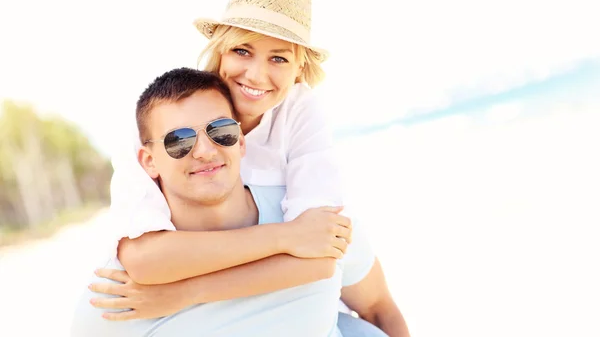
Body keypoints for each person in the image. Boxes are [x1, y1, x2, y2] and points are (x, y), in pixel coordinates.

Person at [101, 0, 410, 334]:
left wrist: (187, 292)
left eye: (278, 58)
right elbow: (144, 258)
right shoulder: (166, 117)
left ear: (299, 68)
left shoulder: (299, 112)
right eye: (242, 51)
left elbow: (321, 257)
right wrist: (288, 237)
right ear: (220, 49)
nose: (256, 75)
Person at [71, 68, 409, 336]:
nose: (204, 150)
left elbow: (379, 308)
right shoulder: (118, 294)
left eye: (220, 131)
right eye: (179, 140)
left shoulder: (311, 222)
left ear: (241, 143)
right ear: (149, 162)